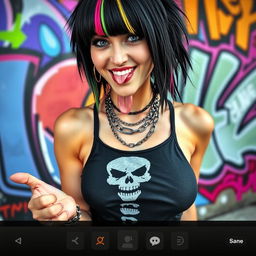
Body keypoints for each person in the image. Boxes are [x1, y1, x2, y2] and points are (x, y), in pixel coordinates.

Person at [10, 0, 214, 223]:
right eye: (101, 42)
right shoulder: (73, 128)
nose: (117, 59)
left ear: (159, 40)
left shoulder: (195, 123)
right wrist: (67, 215)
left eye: (133, 38)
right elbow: (81, 216)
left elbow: (186, 208)